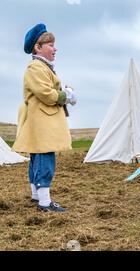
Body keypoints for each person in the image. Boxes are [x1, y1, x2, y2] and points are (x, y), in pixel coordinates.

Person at [12, 23, 77, 212]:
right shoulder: (35, 67)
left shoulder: (42, 67)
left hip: (42, 120)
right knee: (45, 159)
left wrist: (64, 92)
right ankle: (44, 202)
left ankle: (36, 196)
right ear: (37, 47)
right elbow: (46, 93)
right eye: (50, 45)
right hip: (42, 122)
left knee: (38, 158)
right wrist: (66, 96)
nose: (55, 48)